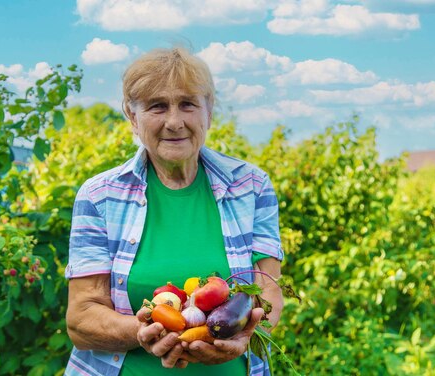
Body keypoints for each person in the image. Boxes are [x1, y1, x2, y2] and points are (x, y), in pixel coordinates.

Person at [64, 47, 284, 376]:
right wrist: (140, 333)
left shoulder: (251, 187)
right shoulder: (99, 196)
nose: (174, 121)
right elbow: (81, 319)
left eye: (187, 104)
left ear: (208, 110)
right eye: (157, 106)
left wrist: (250, 335)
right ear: (132, 116)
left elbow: (269, 290)